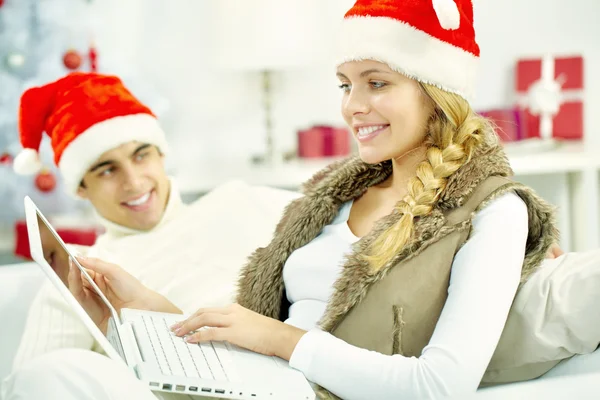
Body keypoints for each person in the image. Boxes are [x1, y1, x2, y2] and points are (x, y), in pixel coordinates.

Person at [4, 1, 596, 399]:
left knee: (61, 380)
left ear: (437, 92)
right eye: (345, 84)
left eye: (377, 82)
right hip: (255, 380)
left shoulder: (494, 212)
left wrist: (278, 341)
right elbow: (269, 322)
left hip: (306, 391)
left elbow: (438, 385)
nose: (351, 105)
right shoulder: (332, 198)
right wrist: (146, 308)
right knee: (50, 376)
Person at [9, 72, 289, 371]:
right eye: (107, 170)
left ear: (161, 154)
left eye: (141, 156)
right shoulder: (82, 276)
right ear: (81, 188)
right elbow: (35, 381)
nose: (133, 181)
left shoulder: (243, 201)